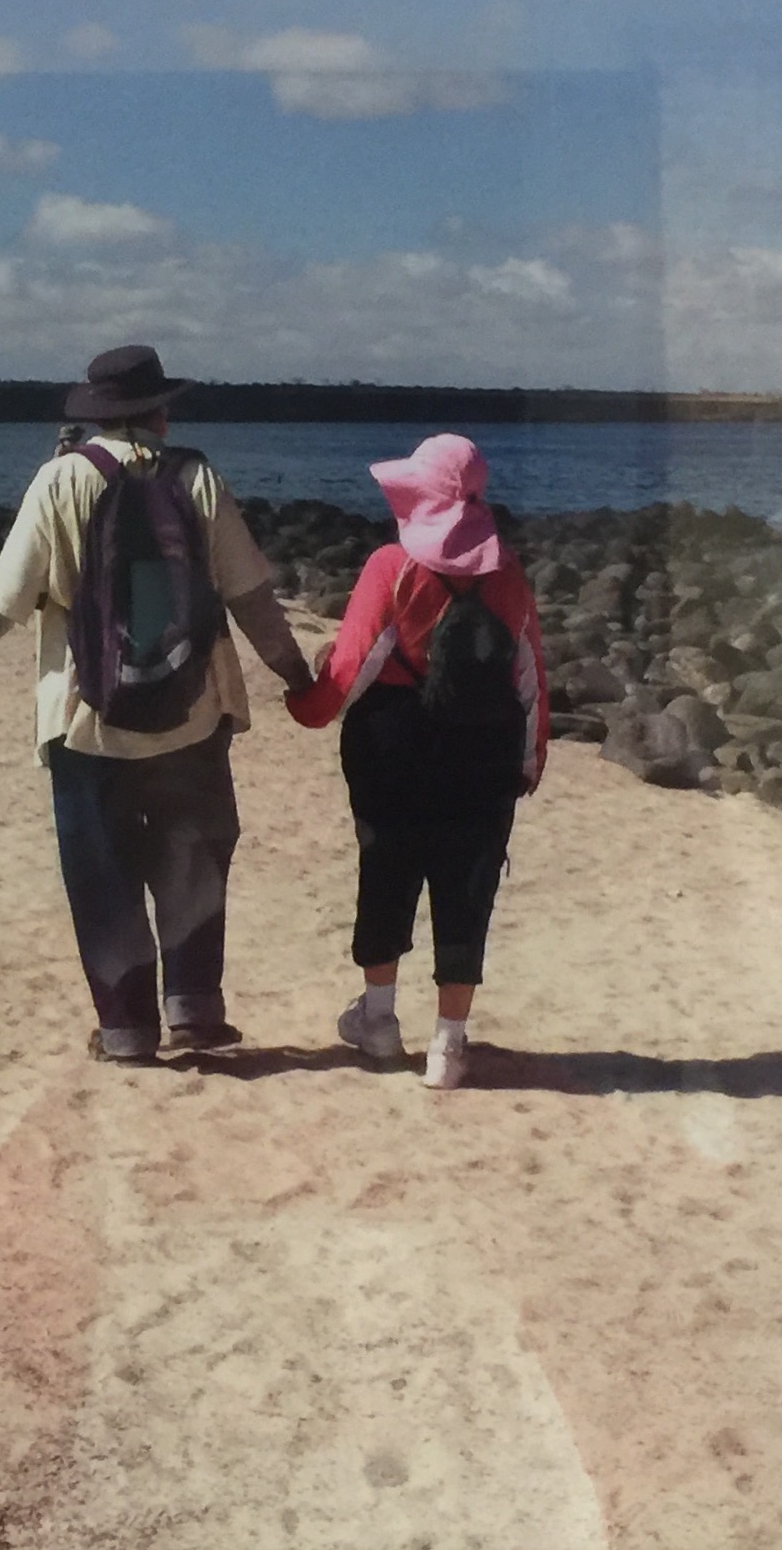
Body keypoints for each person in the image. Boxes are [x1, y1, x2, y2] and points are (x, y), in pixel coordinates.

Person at [0, 345, 314, 1063]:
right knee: (192, 861)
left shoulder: (61, 480)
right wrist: (295, 675)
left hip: (86, 717)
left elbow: (5, 597)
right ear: (160, 410)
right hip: (194, 709)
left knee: (102, 877)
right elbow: (251, 597)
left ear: (98, 414)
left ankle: (126, 1031)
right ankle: (194, 1011)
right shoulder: (198, 478)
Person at [284, 434, 548, 1090]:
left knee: (387, 871)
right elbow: (529, 677)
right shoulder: (506, 572)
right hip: (484, 748)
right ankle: (447, 1047)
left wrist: (307, 707)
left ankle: (378, 1022)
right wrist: (530, 759)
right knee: (467, 886)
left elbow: (353, 666)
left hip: (393, 744)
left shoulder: (391, 566)